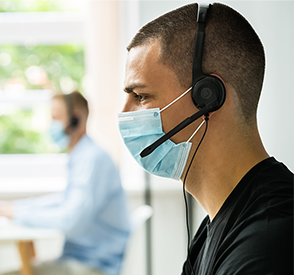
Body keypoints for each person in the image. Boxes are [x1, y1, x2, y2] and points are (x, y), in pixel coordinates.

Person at [118, 3, 293, 275]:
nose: (124, 114)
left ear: (208, 97)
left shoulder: (268, 245)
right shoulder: (217, 223)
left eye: (140, 96)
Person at [0, 91, 130, 275]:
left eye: (56, 118)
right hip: (83, 260)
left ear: (76, 118)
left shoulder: (91, 160)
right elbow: (64, 201)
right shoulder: (83, 155)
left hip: (92, 266)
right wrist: (12, 208)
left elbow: (69, 220)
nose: (51, 125)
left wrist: (16, 212)